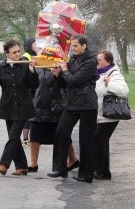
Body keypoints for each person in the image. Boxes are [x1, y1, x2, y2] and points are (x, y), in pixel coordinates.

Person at [0, 39, 39, 176]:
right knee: (13, 137)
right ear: (7, 53)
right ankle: (22, 166)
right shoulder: (1, 67)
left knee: (13, 137)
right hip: (8, 107)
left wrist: (32, 72)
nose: (17, 54)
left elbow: (33, 85)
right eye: (14, 52)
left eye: (18, 51)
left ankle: (4, 164)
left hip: (23, 106)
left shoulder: (25, 65)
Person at [47, 34, 98, 183]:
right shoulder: (73, 59)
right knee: (61, 133)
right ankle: (60, 168)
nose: (73, 48)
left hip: (87, 104)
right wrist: (58, 75)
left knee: (86, 139)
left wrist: (65, 70)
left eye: (76, 46)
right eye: (72, 46)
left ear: (84, 46)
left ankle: (86, 174)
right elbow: (66, 83)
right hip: (71, 103)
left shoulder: (91, 61)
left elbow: (75, 81)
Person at [27, 65, 79, 173]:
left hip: (55, 107)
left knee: (62, 135)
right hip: (38, 105)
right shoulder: (37, 67)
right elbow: (31, 86)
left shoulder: (62, 66)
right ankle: (33, 163)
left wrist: (59, 74)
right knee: (35, 134)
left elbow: (66, 85)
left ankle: (72, 159)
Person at [94, 50, 129, 180]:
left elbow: (124, 91)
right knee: (99, 141)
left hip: (109, 115)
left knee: (100, 140)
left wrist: (110, 84)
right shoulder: (98, 73)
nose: (97, 61)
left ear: (108, 61)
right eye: (97, 59)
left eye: (100, 59)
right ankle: (99, 169)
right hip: (99, 114)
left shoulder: (114, 74)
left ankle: (103, 172)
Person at [21, 38, 38, 147]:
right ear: (29, 45)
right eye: (35, 43)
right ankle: (26, 139)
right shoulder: (26, 57)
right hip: (28, 90)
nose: (37, 45)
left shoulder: (35, 55)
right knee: (28, 114)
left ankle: (31, 138)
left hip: (34, 88)